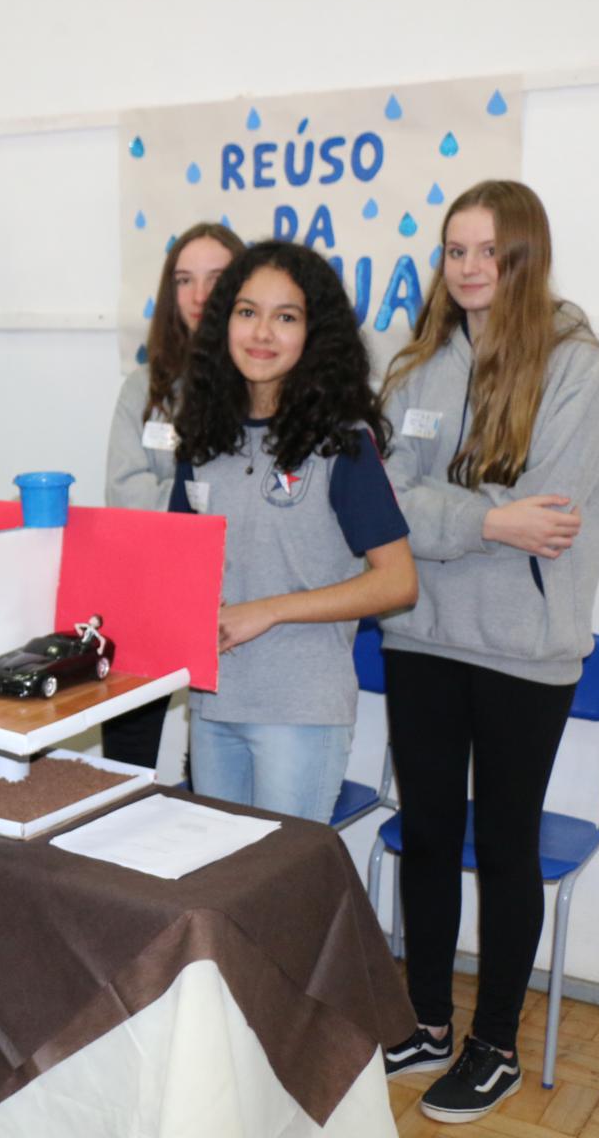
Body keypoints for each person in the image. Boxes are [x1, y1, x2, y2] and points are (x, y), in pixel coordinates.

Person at [375, 180, 599, 1124]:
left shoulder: (576, 366)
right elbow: (388, 500)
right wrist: (486, 518)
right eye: (454, 251)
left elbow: (547, 521)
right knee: (429, 836)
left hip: (523, 646)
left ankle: (494, 1046)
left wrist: (451, 520)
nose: (469, 270)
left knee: (504, 847)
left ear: (525, 258)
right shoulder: (417, 366)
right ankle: (430, 1022)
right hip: (422, 636)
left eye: (489, 253)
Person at [169, 240, 416, 823]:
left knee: (278, 894)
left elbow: (398, 582)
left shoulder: (342, 441)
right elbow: (177, 564)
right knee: (217, 885)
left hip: (301, 711)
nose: (262, 333)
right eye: (247, 312)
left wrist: (269, 611)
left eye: (286, 317)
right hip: (212, 702)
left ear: (315, 334)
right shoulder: (203, 437)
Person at [102, 222, 246, 768]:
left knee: (211, 761)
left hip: (235, 597)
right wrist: (200, 499)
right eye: (184, 279)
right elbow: (124, 495)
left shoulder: (260, 384)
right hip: (150, 589)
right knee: (125, 758)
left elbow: (254, 502)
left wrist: (180, 498)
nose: (199, 294)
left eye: (216, 278)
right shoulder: (143, 388)